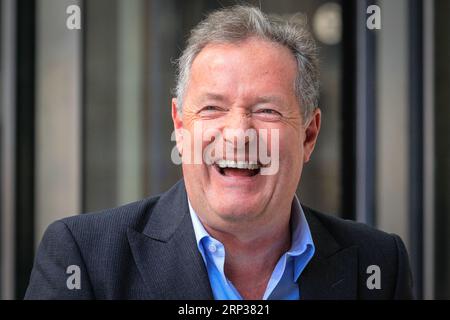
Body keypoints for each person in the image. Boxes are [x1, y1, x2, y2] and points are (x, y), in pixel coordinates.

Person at [25, 5, 413, 300]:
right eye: (212, 108)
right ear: (180, 125)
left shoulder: (379, 263)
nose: (239, 134)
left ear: (309, 134)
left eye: (267, 110)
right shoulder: (85, 258)